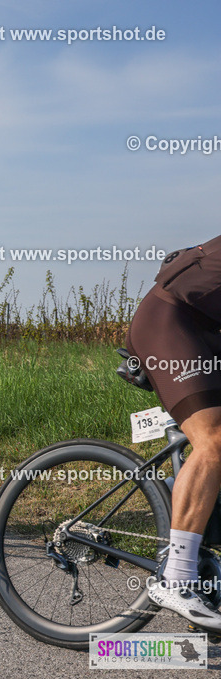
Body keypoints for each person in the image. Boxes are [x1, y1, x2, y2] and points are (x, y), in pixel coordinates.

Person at [126, 235, 221, 630]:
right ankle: (177, 576)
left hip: (206, 333)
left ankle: (206, 567)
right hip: (169, 322)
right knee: (214, 440)